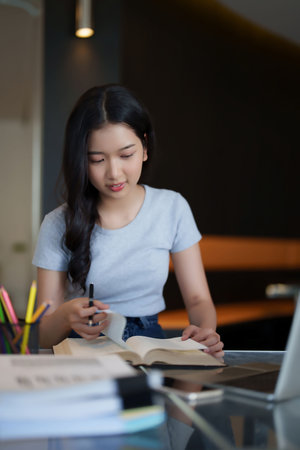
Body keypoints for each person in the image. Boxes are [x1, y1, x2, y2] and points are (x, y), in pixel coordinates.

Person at [33, 84, 224, 357]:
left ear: (144, 147)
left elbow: (198, 299)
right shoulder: (57, 223)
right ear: (81, 161)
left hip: (150, 343)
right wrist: (65, 315)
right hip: (82, 347)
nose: (114, 173)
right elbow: (43, 335)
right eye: (97, 160)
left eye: (126, 155)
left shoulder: (172, 208)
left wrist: (205, 331)